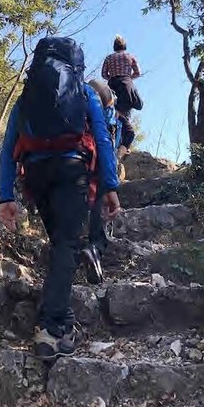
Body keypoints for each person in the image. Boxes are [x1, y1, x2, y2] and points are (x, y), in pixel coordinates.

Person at [0, 37, 121, 362]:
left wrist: (5, 195)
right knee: (66, 245)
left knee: (61, 245)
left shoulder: (26, 100)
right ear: (76, 65)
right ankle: (49, 329)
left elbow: (8, 147)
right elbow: (103, 139)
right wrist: (110, 185)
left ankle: (63, 320)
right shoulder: (84, 93)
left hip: (35, 176)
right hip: (71, 170)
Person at [82, 79, 135, 284]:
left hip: (72, 156)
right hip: (98, 160)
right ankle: (95, 248)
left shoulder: (78, 94)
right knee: (101, 203)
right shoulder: (111, 109)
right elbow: (113, 139)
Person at [101, 35, 143, 154]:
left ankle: (114, 141)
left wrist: (112, 77)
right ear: (124, 46)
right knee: (126, 113)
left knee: (112, 114)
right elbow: (138, 72)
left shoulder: (109, 58)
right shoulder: (130, 57)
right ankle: (124, 146)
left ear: (114, 46)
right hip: (126, 85)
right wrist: (128, 77)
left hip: (112, 86)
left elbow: (104, 74)